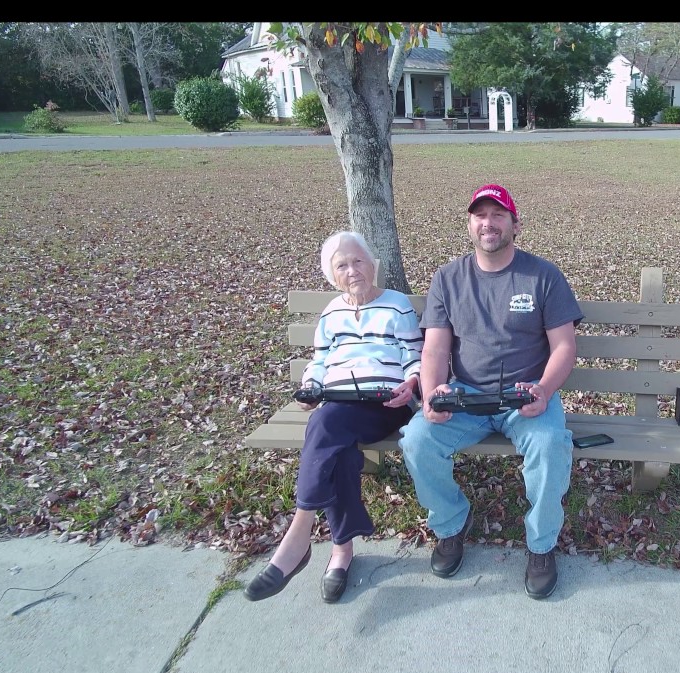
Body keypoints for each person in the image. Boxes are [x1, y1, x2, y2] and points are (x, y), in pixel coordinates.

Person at [399, 183, 584, 600]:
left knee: (552, 443)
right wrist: (431, 395)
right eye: (480, 215)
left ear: (515, 225)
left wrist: (543, 389)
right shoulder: (448, 278)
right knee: (417, 439)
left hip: (525, 397)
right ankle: (450, 524)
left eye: (498, 215)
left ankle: (541, 544)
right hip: (466, 395)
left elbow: (565, 347)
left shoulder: (543, 276)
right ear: (470, 224)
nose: (488, 223)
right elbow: (435, 347)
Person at [244, 230, 422, 604]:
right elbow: (320, 361)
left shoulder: (397, 304)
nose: (353, 270)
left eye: (359, 261)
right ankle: (340, 550)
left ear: (372, 265)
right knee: (337, 445)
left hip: (385, 404)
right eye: (342, 265)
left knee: (324, 426)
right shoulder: (331, 312)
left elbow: (413, 353)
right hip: (340, 401)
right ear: (332, 274)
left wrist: (412, 382)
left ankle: (299, 536)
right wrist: (310, 387)